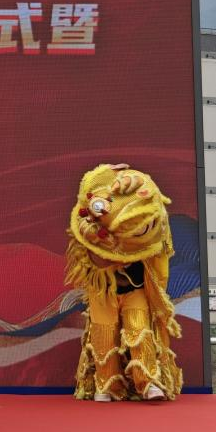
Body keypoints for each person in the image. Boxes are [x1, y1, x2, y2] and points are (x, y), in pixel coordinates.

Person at [66, 164, 182, 401]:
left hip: (135, 289)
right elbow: (91, 256)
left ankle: (148, 383)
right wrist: (105, 174)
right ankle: (107, 385)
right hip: (103, 291)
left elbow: (158, 258)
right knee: (103, 334)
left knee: (139, 331)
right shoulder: (93, 229)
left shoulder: (146, 231)